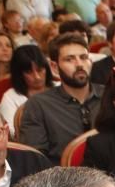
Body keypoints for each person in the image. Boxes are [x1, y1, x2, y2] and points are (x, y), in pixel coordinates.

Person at [19, 33, 103, 163]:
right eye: (69, 59)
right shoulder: (39, 105)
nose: (79, 64)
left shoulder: (110, 95)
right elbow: (35, 160)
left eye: (83, 57)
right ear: (54, 67)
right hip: (63, 179)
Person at [0, 44, 52, 133]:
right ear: (19, 74)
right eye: (29, 72)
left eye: (40, 70)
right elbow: (11, 132)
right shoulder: (10, 97)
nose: (37, 77)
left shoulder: (61, 87)